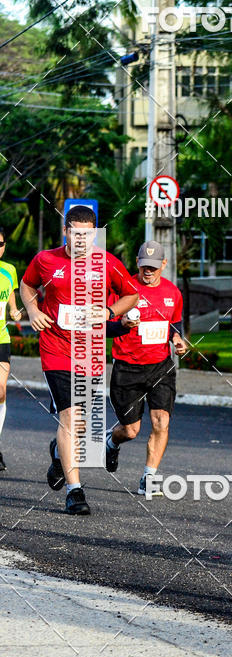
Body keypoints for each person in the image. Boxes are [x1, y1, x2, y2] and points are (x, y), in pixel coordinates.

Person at [20, 205, 139, 515]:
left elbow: (132, 294)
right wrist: (33, 311)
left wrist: (110, 312)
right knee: (70, 418)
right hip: (55, 347)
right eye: (76, 234)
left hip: (89, 352)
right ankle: (75, 491)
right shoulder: (46, 259)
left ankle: (59, 456)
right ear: (66, 232)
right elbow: (27, 284)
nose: (82, 240)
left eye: (88, 234)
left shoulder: (107, 263)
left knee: (81, 425)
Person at [105, 241, 185, 498]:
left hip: (160, 367)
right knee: (131, 430)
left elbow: (174, 324)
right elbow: (103, 326)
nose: (147, 271)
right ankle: (111, 442)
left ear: (163, 264)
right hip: (127, 368)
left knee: (162, 421)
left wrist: (177, 340)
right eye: (143, 266)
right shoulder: (122, 289)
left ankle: (148, 478)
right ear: (137, 263)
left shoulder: (173, 292)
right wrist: (123, 322)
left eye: (153, 267)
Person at [0, 226, 23, 472]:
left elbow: (12, 306)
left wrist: (17, 313)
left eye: (1, 244)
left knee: (1, 392)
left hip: (1, 338)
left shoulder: (9, 270)